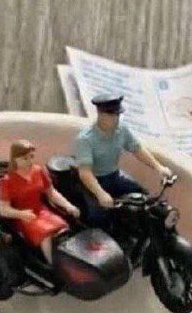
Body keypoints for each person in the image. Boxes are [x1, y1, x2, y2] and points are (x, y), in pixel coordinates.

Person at [74, 93, 174, 225]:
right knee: (98, 217)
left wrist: (158, 167)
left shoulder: (122, 130)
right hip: (94, 181)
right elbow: (85, 173)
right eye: (112, 115)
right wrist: (100, 193)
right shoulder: (85, 139)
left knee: (143, 197)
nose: (116, 119)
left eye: (118, 115)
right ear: (101, 114)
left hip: (114, 176)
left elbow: (137, 149)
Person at [0, 140, 80, 262]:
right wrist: (21, 214)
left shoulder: (38, 170)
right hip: (24, 217)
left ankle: (67, 262)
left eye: (31, 157)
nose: (29, 161)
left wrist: (68, 205)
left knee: (63, 228)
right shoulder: (7, 181)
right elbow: (4, 210)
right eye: (25, 158)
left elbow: (51, 193)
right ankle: (52, 265)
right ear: (15, 159)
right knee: (46, 236)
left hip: (41, 211)